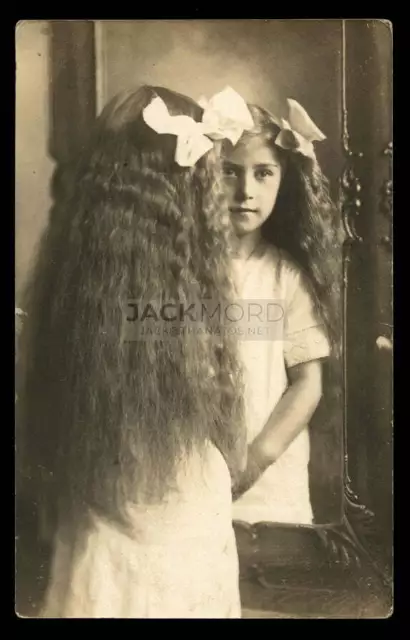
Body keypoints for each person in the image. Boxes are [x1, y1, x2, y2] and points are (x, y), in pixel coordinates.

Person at [17, 85, 255, 618]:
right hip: (177, 522)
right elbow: (227, 440)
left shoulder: (73, 296)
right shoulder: (189, 304)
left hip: (98, 523)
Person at [222, 98, 343, 525]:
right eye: (229, 171)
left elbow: (307, 384)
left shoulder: (285, 277)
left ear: (281, 180)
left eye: (262, 174)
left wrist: (255, 460)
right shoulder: (181, 270)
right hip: (192, 478)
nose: (245, 192)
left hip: (266, 477)